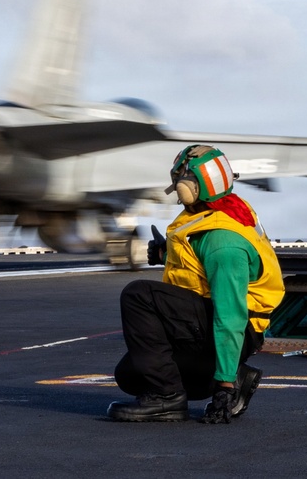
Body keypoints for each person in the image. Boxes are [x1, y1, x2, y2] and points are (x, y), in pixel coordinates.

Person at [107, 145, 285, 423]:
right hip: (213, 321)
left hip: (237, 329)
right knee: (130, 374)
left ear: (191, 186)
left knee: (138, 295)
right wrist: (165, 254)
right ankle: (232, 376)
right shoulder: (225, 208)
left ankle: (171, 397)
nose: (176, 185)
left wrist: (223, 389)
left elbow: (230, 317)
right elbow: (199, 267)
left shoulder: (223, 243)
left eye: (180, 178)